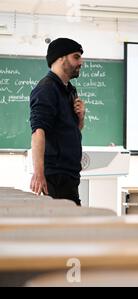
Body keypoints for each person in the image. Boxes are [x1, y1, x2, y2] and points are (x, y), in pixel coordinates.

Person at [29, 38, 85, 205]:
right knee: (67, 228)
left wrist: (81, 117)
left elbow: (75, 130)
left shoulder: (69, 90)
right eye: (76, 57)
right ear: (60, 58)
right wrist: (39, 173)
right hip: (55, 176)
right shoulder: (46, 89)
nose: (81, 62)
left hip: (70, 174)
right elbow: (38, 131)